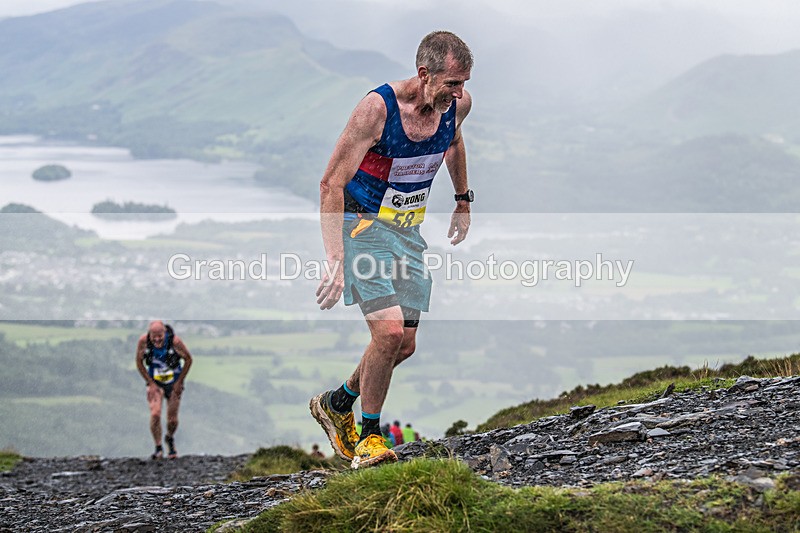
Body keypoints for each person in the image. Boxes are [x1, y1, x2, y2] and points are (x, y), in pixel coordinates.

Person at [310, 31, 474, 469]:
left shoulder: (456, 107)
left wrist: (462, 198)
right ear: (424, 74)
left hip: (407, 234)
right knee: (388, 333)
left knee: (404, 345)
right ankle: (369, 438)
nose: (460, 94)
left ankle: (337, 403)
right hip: (361, 228)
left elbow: (453, 142)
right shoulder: (377, 110)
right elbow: (331, 183)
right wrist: (335, 257)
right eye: (452, 84)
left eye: (464, 84)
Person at [135, 320, 192, 459]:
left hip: (173, 383)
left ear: (164, 333)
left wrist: (180, 382)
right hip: (155, 382)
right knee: (155, 414)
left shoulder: (175, 342)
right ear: (149, 334)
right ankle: (158, 447)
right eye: (153, 335)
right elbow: (138, 361)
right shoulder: (144, 341)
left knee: (172, 420)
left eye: (159, 335)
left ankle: (169, 438)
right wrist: (150, 383)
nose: (156, 339)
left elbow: (189, 359)